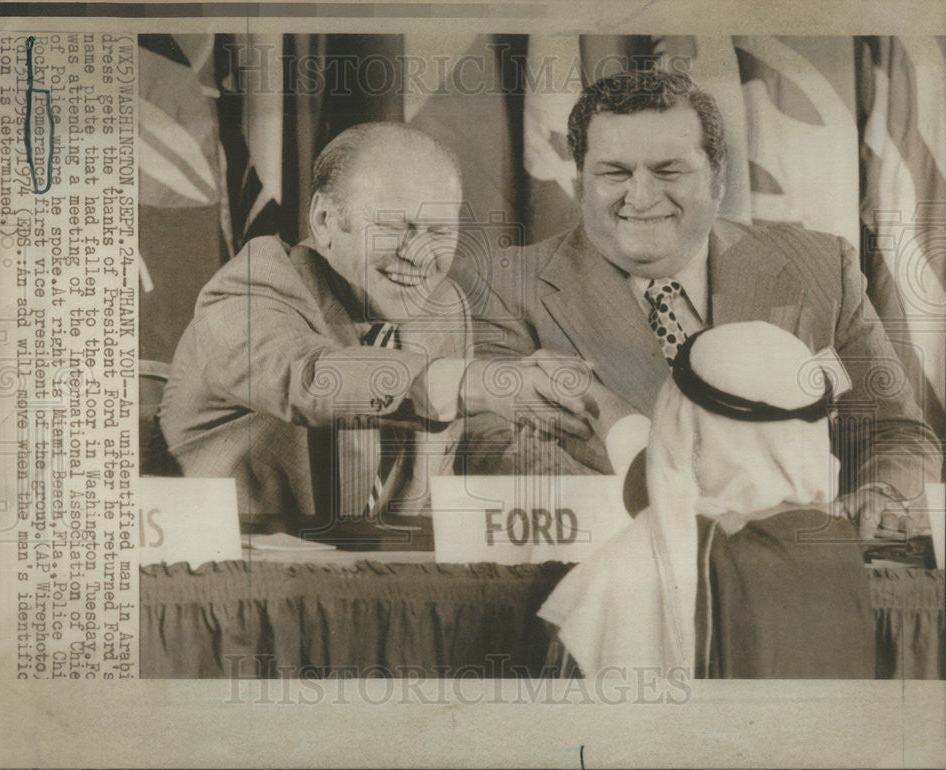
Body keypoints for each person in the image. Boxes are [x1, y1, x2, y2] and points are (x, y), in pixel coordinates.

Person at [452, 69, 940, 535]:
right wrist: (689, 511)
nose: (640, 197)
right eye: (614, 173)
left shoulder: (822, 267)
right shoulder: (503, 286)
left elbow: (895, 431)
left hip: (791, 578)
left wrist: (881, 493)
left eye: (668, 170)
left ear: (718, 178)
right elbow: (495, 449)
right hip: (616, 577)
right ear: (581, 184)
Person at [159, 122, 589, 546]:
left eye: (439, 232)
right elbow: (311, 379)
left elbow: (476, 440)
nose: (418, 255)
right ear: (325, 220)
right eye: (392, 227)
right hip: (232, 585)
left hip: (382, 586)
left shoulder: (442, 310)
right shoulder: (249, 292)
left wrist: (603, 496)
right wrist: (475, 382)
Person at [538, 321, 877, 678]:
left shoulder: (639, 560)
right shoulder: (834, 541)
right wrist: (596, 398)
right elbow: (665, 482)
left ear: (680, 420)